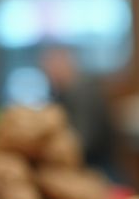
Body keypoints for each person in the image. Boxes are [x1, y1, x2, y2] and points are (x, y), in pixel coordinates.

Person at [39, 44, 118, 180]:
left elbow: (85, 140)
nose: (49, 73)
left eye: (52, 66)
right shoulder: (60, 93)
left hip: (97, 170)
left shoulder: (83, 93)